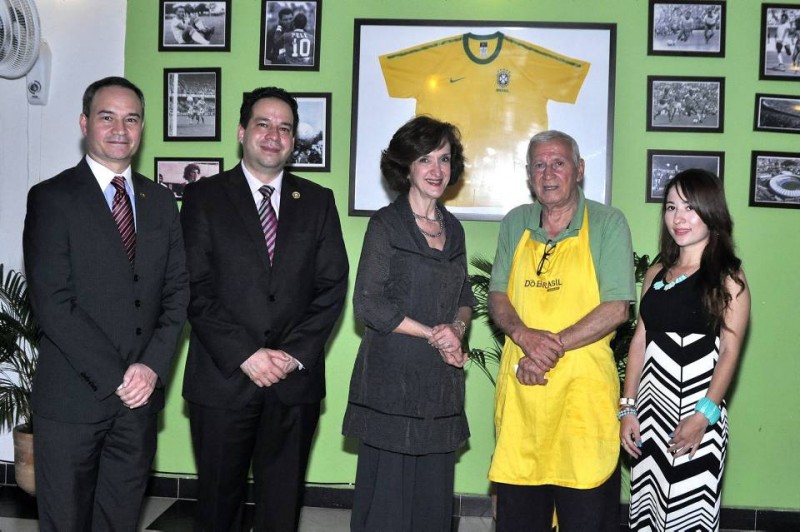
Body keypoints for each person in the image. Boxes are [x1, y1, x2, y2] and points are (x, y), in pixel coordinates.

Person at [22, 76, 189, 531]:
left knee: (119, 521)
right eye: (107, 117)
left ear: (142, 127)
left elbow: (177, 295)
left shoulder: (160, 202)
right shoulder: (52, 199)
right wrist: (117, 377)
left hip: (138, 402)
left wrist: (151, 369)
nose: (121, 128)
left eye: (131, 118)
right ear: (85, 123)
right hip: (73, 401)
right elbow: (53, 302)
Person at [180, 86, 349, 531]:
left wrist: (292, 355)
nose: (274, 135)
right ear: (241, 132)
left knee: (282, 506)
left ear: (294, 141)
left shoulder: (317, 201)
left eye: (285, 128)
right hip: (222, 380)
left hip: (294, 385)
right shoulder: (203, 198)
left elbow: (332, 286)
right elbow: (193, 287)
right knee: (218, 506)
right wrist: (247, 355)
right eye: (263, 124)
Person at [487, 130, 635, 531]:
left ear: (579, 169)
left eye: (558, 163)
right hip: (524, 399)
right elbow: (498, 295)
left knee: (585, 514)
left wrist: (546, 349)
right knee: (520, 516)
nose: (548, 173)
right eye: (539, 164)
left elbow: (617, 308)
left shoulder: (607, 223)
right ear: (528, 174)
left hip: (581, 399)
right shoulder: (516, 222)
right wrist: (523, 337)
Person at [342, 116, 475, 532]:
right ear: (406, 167)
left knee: (432, 500)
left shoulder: (453, 229)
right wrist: (432, 333)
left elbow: (465, 298)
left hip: (440, 385)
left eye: (445, 159)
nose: (437, 170)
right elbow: (367, 304)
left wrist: (456, 328)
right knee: (388, 503)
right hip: (391, 382)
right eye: (425, 159)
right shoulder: (386, 224)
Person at [620, 169, 750, 531]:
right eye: (671, 207)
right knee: (647, 516)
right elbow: (639, 342)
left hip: (697, 418)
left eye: (691, 208)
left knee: (688, 519)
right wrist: (627, 409)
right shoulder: (656, 273)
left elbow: (729, 352)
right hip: (650, 416)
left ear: (712, 213)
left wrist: (702, 418)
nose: (678, 217)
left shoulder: (729, 277)